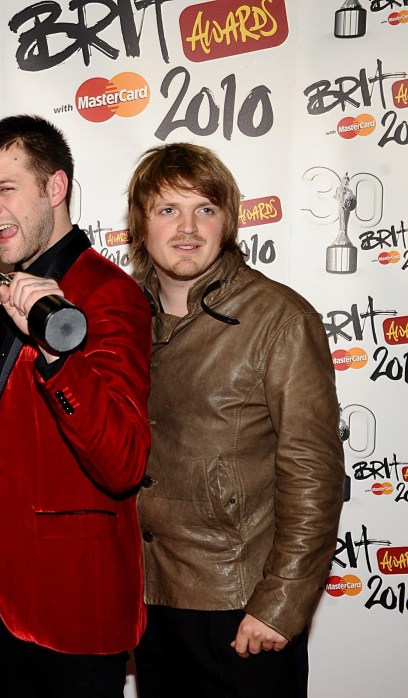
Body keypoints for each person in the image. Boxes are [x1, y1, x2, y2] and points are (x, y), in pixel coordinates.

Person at [0, 114, 152, 697]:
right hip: (18, 592)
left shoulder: (107, 296)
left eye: (7, 189)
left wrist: (59, 357)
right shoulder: (23, 284)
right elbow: (28, 426)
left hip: (74, 604)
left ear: (55, 189)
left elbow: (124, 458)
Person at [128, 143, 345, 698]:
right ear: (140, 224)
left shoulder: (279, 319)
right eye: (167, 209)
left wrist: (279, 606)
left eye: (205, 209)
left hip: (241, 606)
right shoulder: (118, 320)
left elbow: (313, 476)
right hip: (147, 599)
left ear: (228, 222)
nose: (187, 228)